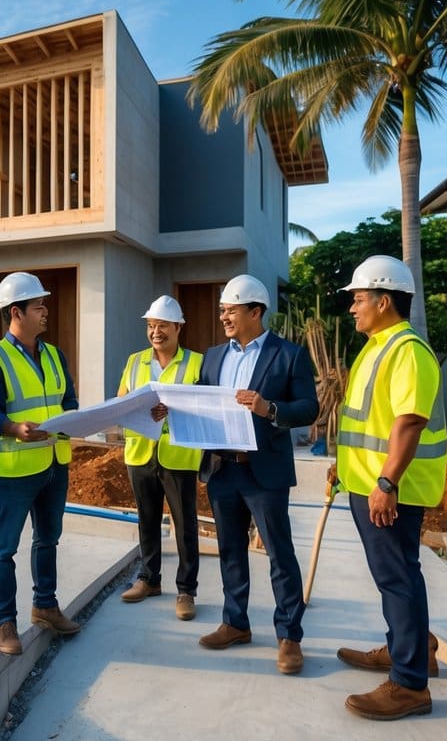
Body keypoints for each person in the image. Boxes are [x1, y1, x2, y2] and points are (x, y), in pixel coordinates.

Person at [335, 255, 447, 720]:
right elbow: (369, 421)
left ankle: (409, 684)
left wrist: (386, 482)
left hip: (391, 490)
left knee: (396, 578)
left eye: (358, 299)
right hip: (368, 483)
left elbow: (409, 422)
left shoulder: (407, 350)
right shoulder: (380, 346)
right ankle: (413, 648)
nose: (352, 308)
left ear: (384, 301)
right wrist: (343, 469)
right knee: (397, 575)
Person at [196, 274, 318, 676]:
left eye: (231, 309)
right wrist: (171, 411)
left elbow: (308, 408)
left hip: (264, 471)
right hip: (222, 469)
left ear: (256, 311)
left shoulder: (290, 355)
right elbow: (201, 398)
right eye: (222, 309)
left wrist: (270, 409)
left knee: (279, 553)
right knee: (230, 551)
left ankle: (289, 636)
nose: (223, 316)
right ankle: (235, 623)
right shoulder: (213, 356)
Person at [0, 271, 81, 656]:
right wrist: (13, 428)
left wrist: (74, 417)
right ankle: (4, 622)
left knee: (48, 539)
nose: (45, 310)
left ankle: (45, 606)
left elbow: (68, 398)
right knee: (4, 548)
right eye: (39, 306)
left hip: (54, 463)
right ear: (16, 312)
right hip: (17, 470)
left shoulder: (54, 354)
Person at [116, 294, 204, 620]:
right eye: (151, 326)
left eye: (162, 325)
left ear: (178, 327)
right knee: (147, 521)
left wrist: (173, 410)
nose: (155, 332)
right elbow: (121, 401)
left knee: (185, 526)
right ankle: (149, 579)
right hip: (140, 453)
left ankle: (186, 590)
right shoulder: (134, 361)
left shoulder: (196, 363)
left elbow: (202, 407)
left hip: (179, 456)